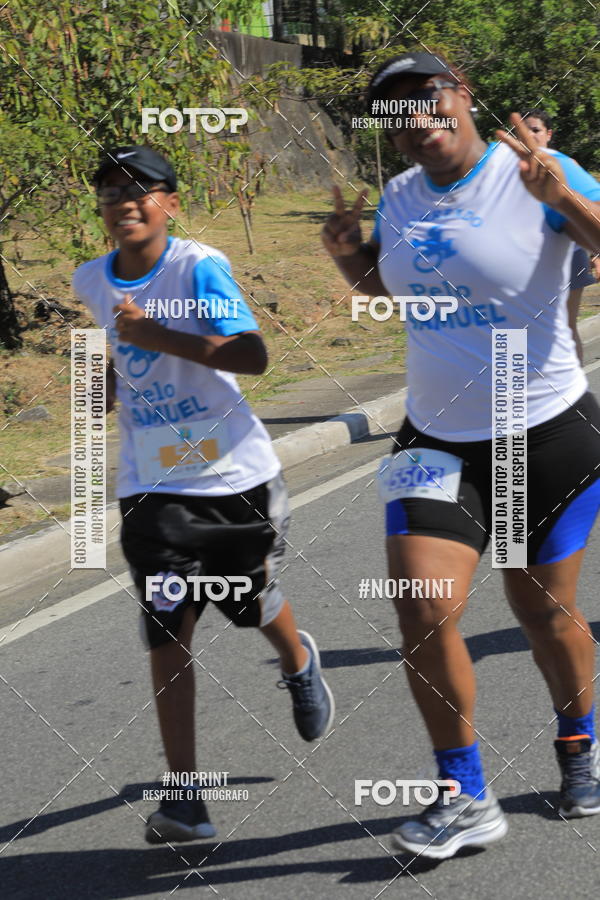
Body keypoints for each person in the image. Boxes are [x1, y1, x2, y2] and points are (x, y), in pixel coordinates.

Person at [322, 51, 600, 859]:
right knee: (420, 605)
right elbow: (394, 288)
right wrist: (350, 257)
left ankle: (579, 740)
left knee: (540, 612)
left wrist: (565, 198)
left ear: (463, 96)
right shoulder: (401, 196)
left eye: (428, 98)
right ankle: (464, 794)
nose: (415, 119)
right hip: (433, 436)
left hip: (537, 432)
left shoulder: (537, 171)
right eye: (395, 111)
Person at [72, 145, 334, 844]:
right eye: (109, 192)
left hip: (232, 476)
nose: (124, 202)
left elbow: (251, 355)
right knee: (166, 627)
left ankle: (299, 661)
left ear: (169, 203)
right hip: (151, 486)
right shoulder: (90, 278)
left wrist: (156, 335)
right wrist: (99, 384)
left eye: (140, 190)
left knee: (247, 602)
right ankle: (185, 796)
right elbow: (110, 366)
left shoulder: (197, 266)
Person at [522, 109, 600, 362]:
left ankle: (573, 395)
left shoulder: (565, 164)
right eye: (524, 130)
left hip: (568, 255)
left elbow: (593, 210)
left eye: (535, 130)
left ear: (548, 134)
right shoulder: (505, 167)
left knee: (565, 327)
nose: (530, 135)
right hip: (524, 260)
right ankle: (512, 399)